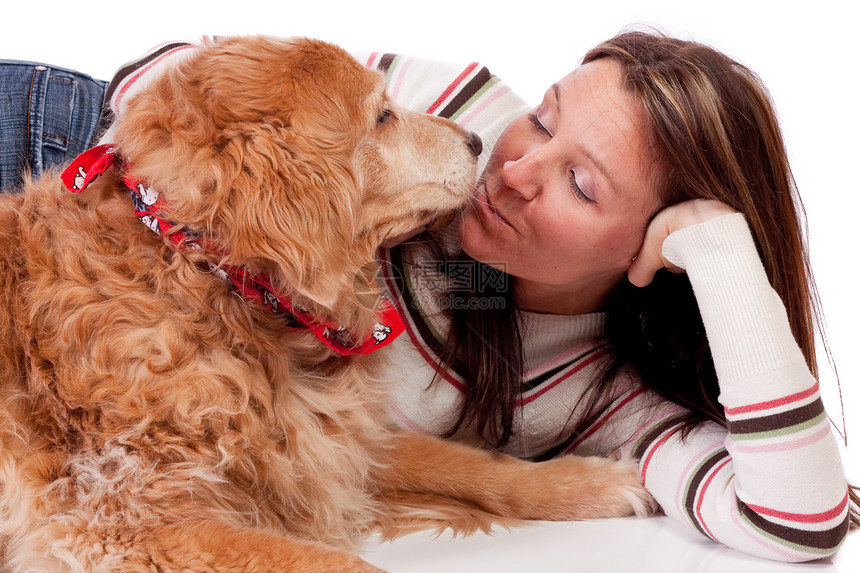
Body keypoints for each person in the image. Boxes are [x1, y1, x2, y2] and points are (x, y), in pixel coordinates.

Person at [0, 30, 855, 562]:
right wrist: (197, 195)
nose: (511, 168)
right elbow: (228, 87)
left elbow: (803, 520)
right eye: (549, 118)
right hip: (66, 143)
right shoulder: (469, 126)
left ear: (648, 251)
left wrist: (724, 256)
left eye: (582, 186)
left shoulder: (602, 391)